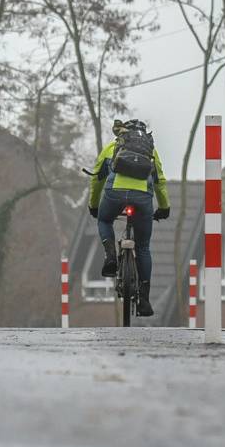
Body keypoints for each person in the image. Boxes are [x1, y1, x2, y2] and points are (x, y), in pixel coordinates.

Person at [87, 118, 171, 316]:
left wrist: (94, 205)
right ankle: (145, 300)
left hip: (114, 194)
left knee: (104, 220)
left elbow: (97, 179)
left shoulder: (112, 147)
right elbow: (159, 181)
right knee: (143, 247)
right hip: (142, 198)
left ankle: (110, 255)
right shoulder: (151, 152)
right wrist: (164, 207)